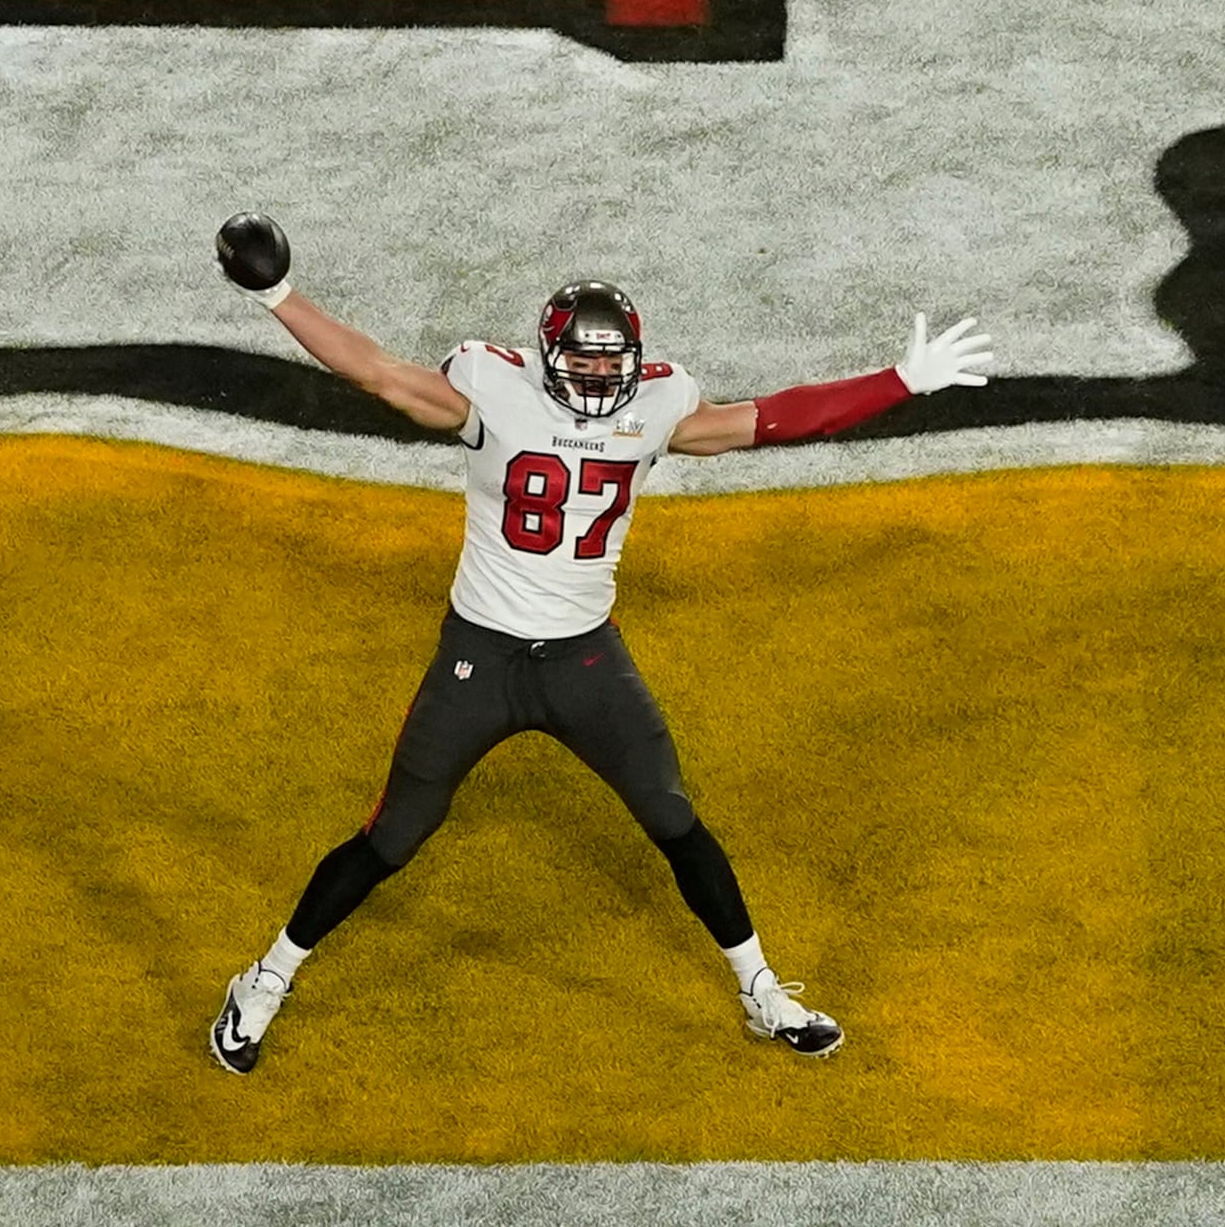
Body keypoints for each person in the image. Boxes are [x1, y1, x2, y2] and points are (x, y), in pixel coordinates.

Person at [197, 211, 995, 1071]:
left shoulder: (658, 405)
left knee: (672, 817)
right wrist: (277, 293)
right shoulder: (492, 389)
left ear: (635, 362)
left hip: (585, 659)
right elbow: (377, 373)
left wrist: (899, 382)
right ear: (547, 358)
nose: (597, 378)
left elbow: (773, 422)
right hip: (482, 657)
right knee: (394, 835)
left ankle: (763, 990)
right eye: (582, 362)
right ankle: (266, 978)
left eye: (611, 364)